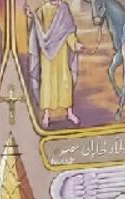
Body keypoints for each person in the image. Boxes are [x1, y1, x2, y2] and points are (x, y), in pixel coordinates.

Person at [26, 0, 83, 129]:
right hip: (47, 54)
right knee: (47, 82)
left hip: (62, 53)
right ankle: (46, 114)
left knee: (65, 80)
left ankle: (69, 112)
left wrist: (75, 44)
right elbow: (36, 24)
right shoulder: (43, 10)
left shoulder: (64, 9)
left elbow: (69, 32)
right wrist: (30, 15)